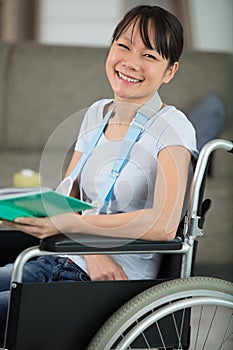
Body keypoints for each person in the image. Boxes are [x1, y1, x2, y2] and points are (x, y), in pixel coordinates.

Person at [0, 5, 198, 342]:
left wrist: (71, 227)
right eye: (123, 46)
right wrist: (90, 250)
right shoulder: (96, 114)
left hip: (107, 285)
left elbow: (164, 225)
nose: (131, 62)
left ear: (170, 71)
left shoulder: (173, 127)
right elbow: (69, 200)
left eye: (149, 55)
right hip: (61, 258)